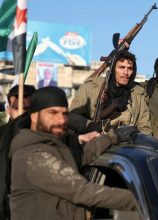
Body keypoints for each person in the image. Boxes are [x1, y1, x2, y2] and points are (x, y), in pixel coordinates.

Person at [9, 86, 138, 220]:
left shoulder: (53, 144)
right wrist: (142, 199)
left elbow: (81, 155)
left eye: (64, 113)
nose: (62, 120)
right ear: (34, 117)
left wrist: (112, 137)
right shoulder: (33, 155)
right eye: (53, 113)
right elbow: (82, 191)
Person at [69, 50, 151, 135]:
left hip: (125, 145)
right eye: (121, 67)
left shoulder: (138, 93)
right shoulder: (91, 87)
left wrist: (132, 136)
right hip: (94, 142)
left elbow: (145, 128)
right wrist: (89, 126)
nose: (126, 72)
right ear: (112, 69)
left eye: (129, 68)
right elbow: (71, 116)